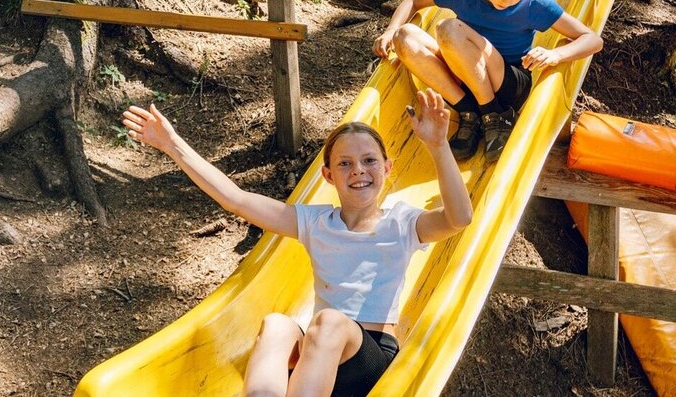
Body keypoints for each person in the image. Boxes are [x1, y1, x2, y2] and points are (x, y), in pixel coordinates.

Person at [121, 88, 472, 397]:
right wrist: (171, 144)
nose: (358, 171)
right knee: (277, 324)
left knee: (329, 321)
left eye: (369, 161)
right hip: (316, 361)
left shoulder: (403, 223)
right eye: (345, 163)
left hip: (370, 359)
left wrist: (438, 146)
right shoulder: (315, 223)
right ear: (328, 175)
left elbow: (459, 218)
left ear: (387, 167)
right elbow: (236, 200)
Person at [372, 0, 603, 162]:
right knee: (405, 36)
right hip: (464, 75)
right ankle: (469, 112)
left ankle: (495, 114)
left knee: (449, 28)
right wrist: (391, 30)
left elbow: (592, 39)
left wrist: (556, 54)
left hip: (506, 82)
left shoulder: (534, 3)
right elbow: (412, 2)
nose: (506, 1)